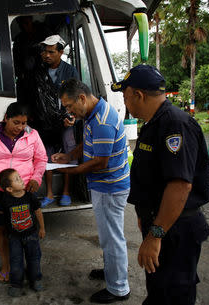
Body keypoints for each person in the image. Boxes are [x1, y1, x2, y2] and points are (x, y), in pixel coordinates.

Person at [111, 64, 209, 305]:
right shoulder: (154, 123)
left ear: (139, 95)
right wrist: (144, 214)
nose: (126, 104)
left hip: (174, 229)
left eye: (126, 97)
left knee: (174, 293)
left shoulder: (175, 125)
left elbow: (180, 186)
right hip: (162, 223)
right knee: (159, 290)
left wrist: (155, 235)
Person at [52, 79, 131, 303]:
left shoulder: (102, 121)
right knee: (107, 236)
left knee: (112, 238)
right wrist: (69, 156)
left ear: (82, 98)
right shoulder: (92, 114)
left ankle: (118, 288)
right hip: (104, 185)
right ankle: (111, 272)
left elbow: (100, 161)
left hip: (110, 187)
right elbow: (88, 145)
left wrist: (72, 170)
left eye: (69, 106)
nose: (68, 111)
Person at [0, 102, 47, 283]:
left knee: (26, 227)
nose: (20, 127)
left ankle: (29, 265)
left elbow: (41, 158)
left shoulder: (33, 135)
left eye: (24, 123)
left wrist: (36, 178)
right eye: (16, 122)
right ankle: (7, 265)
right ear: (6, 118)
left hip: (24, 190)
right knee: (3, 228)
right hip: (1, 191)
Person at [38, 34, 79, 207]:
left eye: (51, 52)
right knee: (47, 155)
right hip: (46, 123)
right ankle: (48, 194)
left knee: (68, 154)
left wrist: (71, 118)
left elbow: (76, 96)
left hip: (65, 120)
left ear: (61, 52)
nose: (46, 55)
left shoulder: (70, 71)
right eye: (45, 52)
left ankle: (66, 192)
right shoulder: (39, 70)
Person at [0, 168, 45, 297]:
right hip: (14, 237)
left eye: (20, 177)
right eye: (17, 179)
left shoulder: (30, 196)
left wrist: (42, 228)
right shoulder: (5, 200)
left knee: (34, 258)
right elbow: (0, 210)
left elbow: (38, 211)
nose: (21, 180)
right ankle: (16, 284)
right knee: (16, 261)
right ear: (9, 189)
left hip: (32, 235)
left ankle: (36, 279)